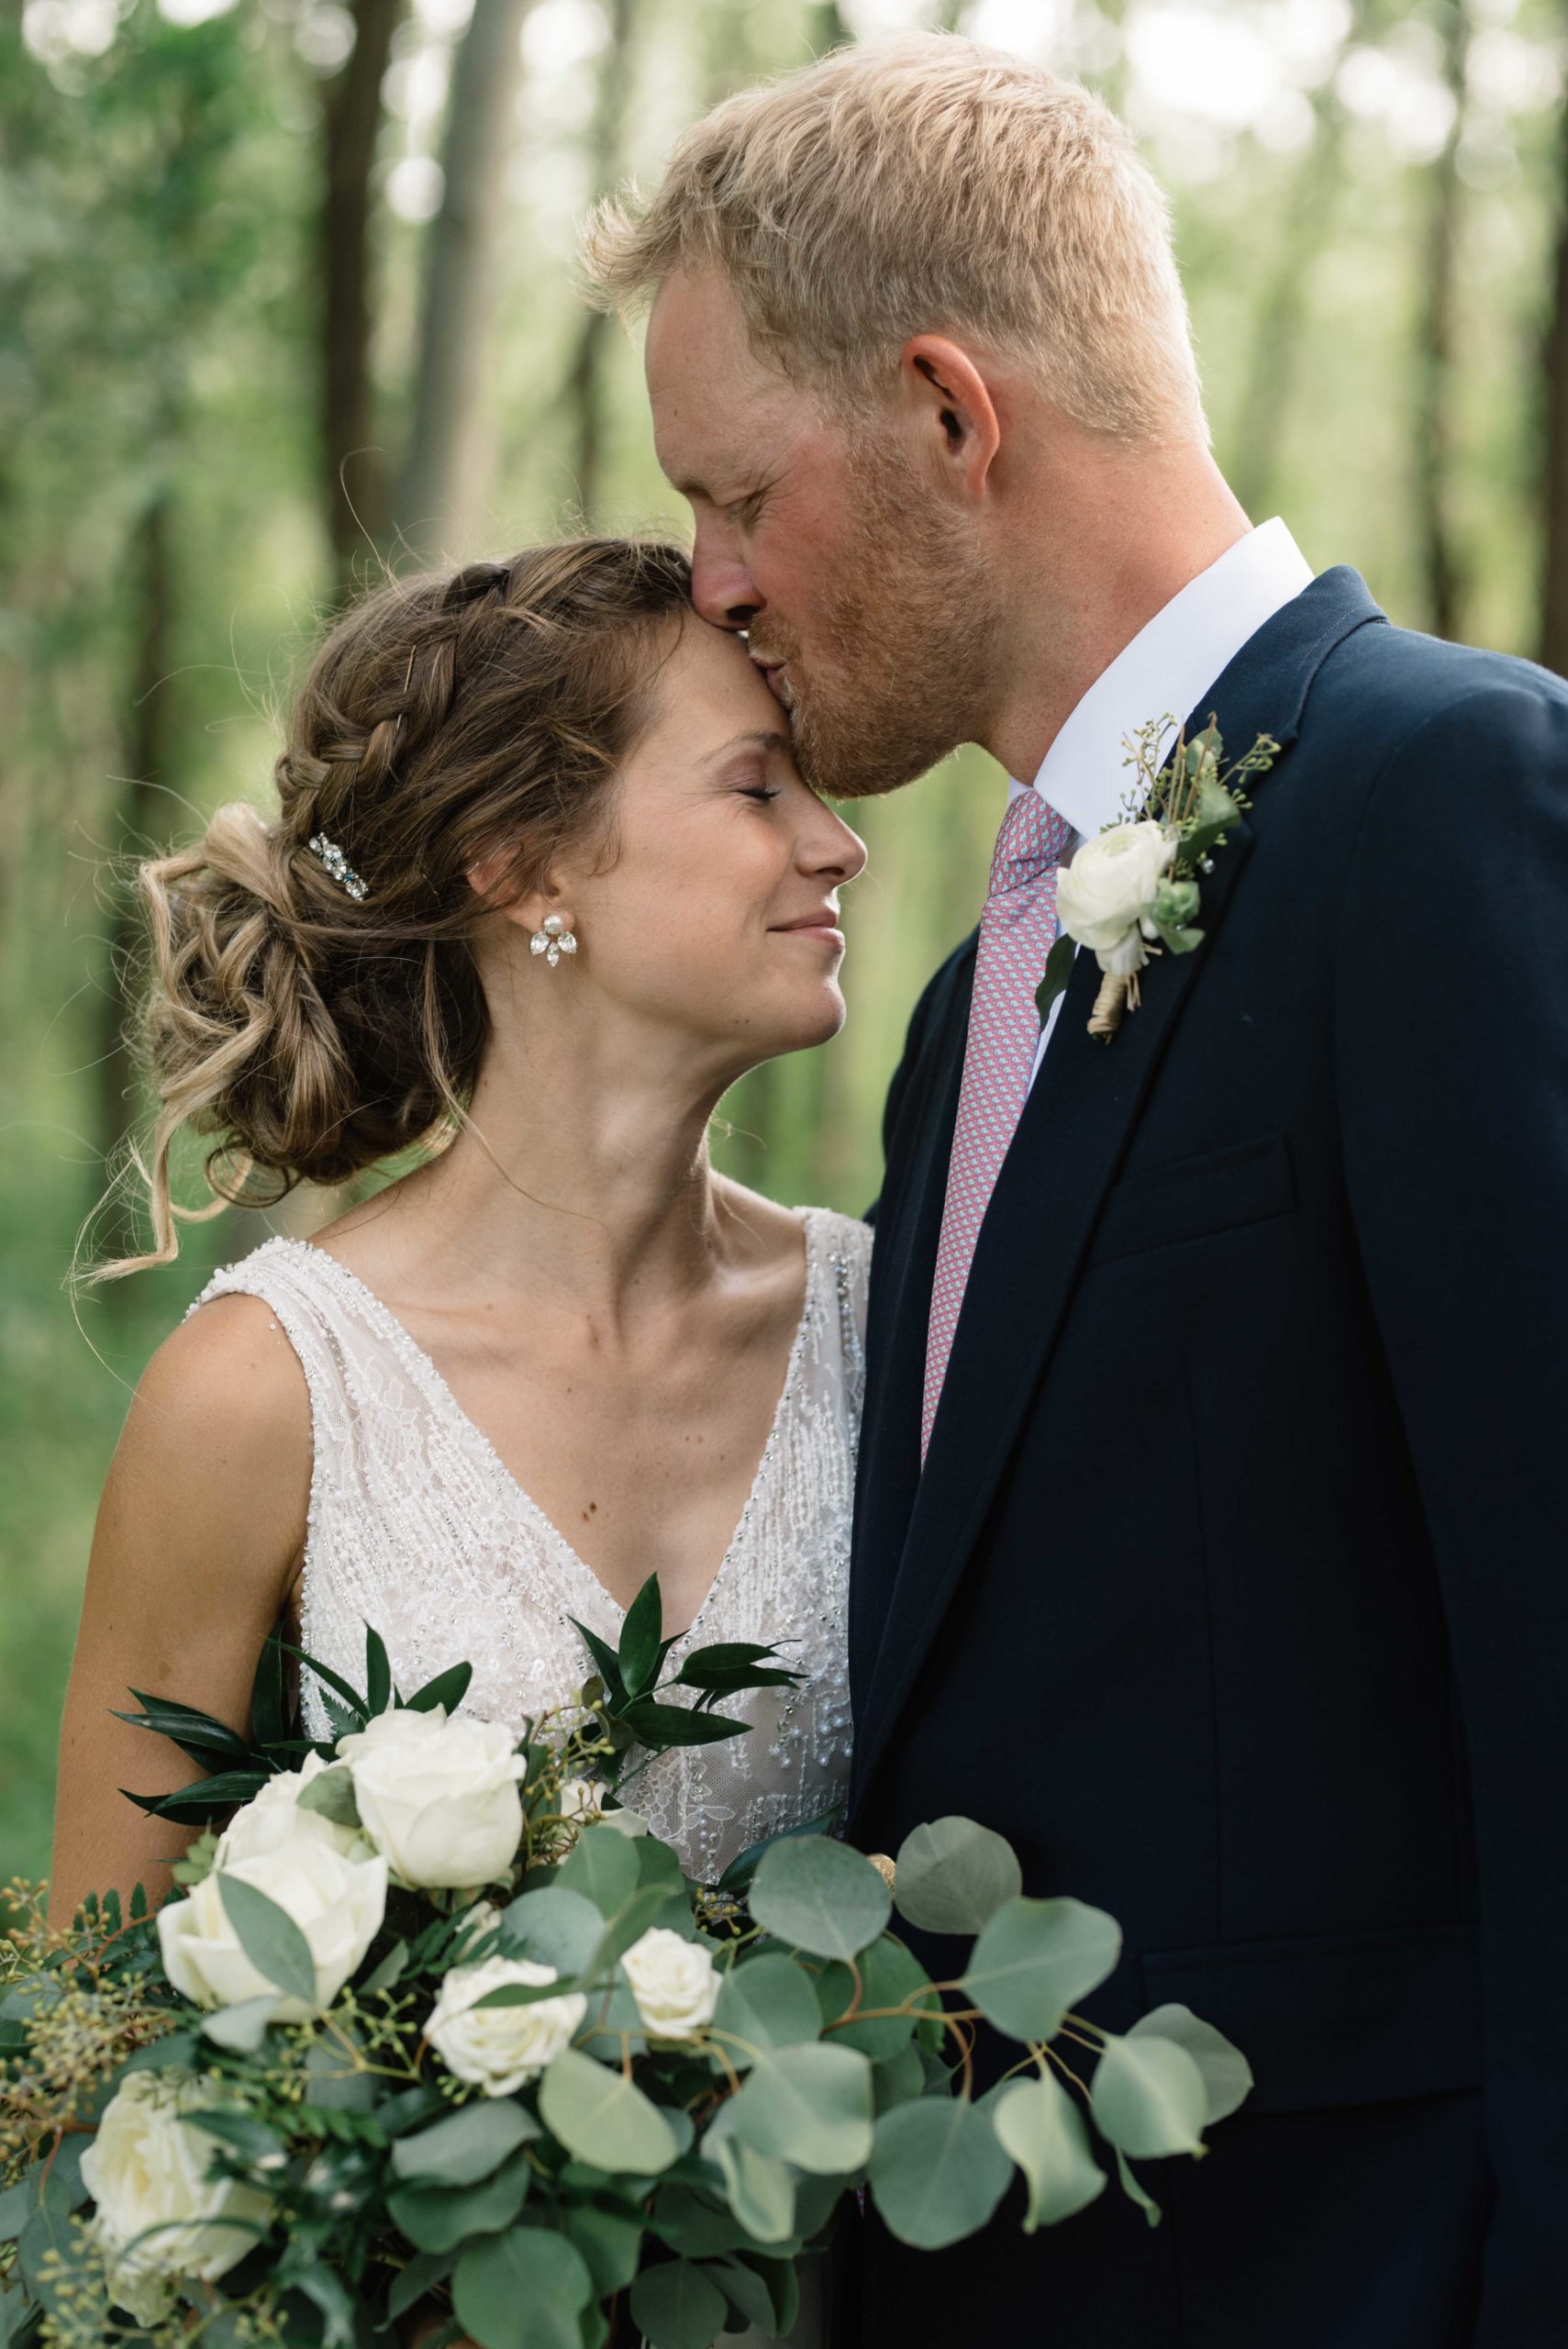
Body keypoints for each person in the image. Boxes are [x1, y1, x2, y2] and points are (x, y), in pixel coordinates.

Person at [584, 32, 1568, 2348]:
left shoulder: (1454, 804)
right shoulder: (960, 1019)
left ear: (951, 412)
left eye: (735, 495)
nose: (711, 585)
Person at [53, 537, 868, 1928]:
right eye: (754, 787)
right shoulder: (265, 1393)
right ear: (523, 869)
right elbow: (89, 2000)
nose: (834, 843)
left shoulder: (886, 1321)